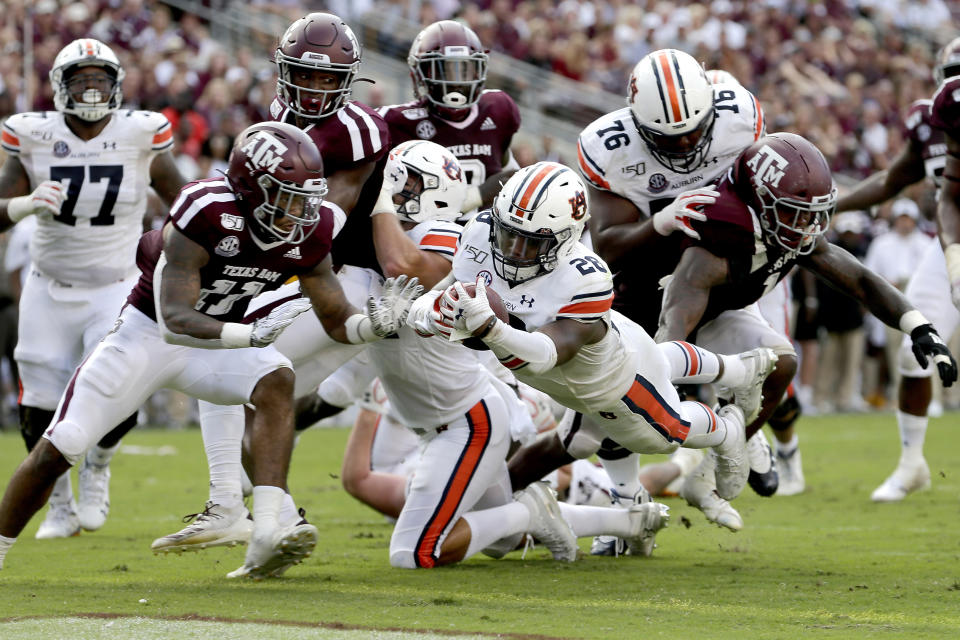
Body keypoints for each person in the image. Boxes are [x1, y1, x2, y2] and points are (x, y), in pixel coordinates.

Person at [0, 121, 421, 577]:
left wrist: (371, 326)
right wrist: (247, 336)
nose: (301, 209)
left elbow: (337, 319)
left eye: (307, 195)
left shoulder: (311, 227)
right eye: (287, 195)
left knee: (276, 377)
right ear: (250, 187)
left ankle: (266, 530)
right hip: (148, 337)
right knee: (61, 445)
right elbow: (175, 320)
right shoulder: (205, 208)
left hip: (220, 342)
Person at [413, 162, 779, 537]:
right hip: (601, 357)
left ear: (566, 237)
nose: (516, 251)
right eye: (509, 236)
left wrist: (491, 328)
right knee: (655, 362)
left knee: (662, 433)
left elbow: (545, 355)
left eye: (532, 242)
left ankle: (728, 428)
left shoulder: (584, 276)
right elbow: (442, 291)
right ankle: (737, 370)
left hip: (605, 377)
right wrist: (429, 315)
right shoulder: (481, 231)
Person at [654, 135, 957, 514]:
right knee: (614, 434)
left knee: (782, 361)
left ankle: (728, 451)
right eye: (794, 211)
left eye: (810, 212)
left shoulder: (784, 226)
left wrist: (918, 326)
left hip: (725, 314)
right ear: (760, 201)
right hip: (653, 324)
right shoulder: (719, 234)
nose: (806, 224)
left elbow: (860, 280)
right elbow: (674, 319)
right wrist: (671, 385)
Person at [573, 49, 772, 537]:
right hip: (639, 279)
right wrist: (661, 221)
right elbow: (609, 248)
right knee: (606, 407)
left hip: (718, 273)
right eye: (669, 136)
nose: (685, 143)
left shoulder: (739, 116)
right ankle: (625, 504)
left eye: (694, 129)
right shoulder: (608, 144)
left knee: (769, 359)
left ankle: (746, 429)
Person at [0, 38, 187, 539]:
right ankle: (58, 502)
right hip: (48, 285)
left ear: (116, 86)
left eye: (99, 78)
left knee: (120, 392)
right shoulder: (32, 135)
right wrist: (23, 205)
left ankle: (99, 462)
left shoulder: (140, 134)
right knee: (38, 399)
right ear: (60, 86)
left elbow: (185, 202)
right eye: (80, 78)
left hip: (117, 286)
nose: (90, 87)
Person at [834, 38, 960, 501]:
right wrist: (829, 205)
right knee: (915, 351)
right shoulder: (931, 121)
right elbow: (892, 181)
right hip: (949, 242)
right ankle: (912, 464)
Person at [378, 20, 521, 220]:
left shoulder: (498, 109)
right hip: (422, 236)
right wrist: (478, 195)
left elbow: (507, 169)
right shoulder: (395, 121)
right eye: (444, 69)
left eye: (464, 70)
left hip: (486, 235)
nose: (456, 81)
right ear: (421, 73)